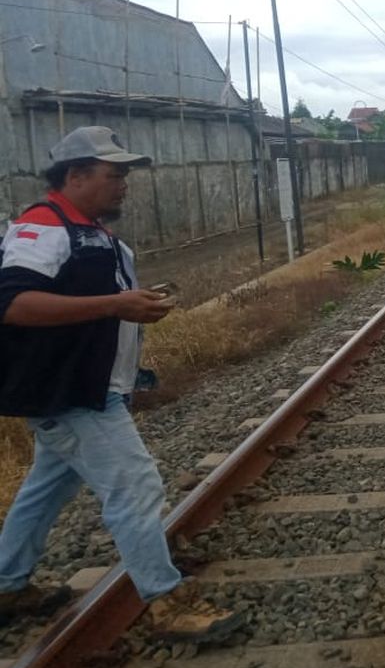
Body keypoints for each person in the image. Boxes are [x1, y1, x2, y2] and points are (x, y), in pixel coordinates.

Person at [0, 126, 241, 641]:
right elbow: (14, 305)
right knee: (135, 484)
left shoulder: (94, 233)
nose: (124, 184)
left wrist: (135, 308)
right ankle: (166, 602)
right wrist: (115, 305)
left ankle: (8, 585)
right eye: (114, 174)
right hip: (69, 394)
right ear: (76, 175)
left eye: (126, 174)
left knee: (48, 486)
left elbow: (93, 305)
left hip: (87, 387)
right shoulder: (42, 228)